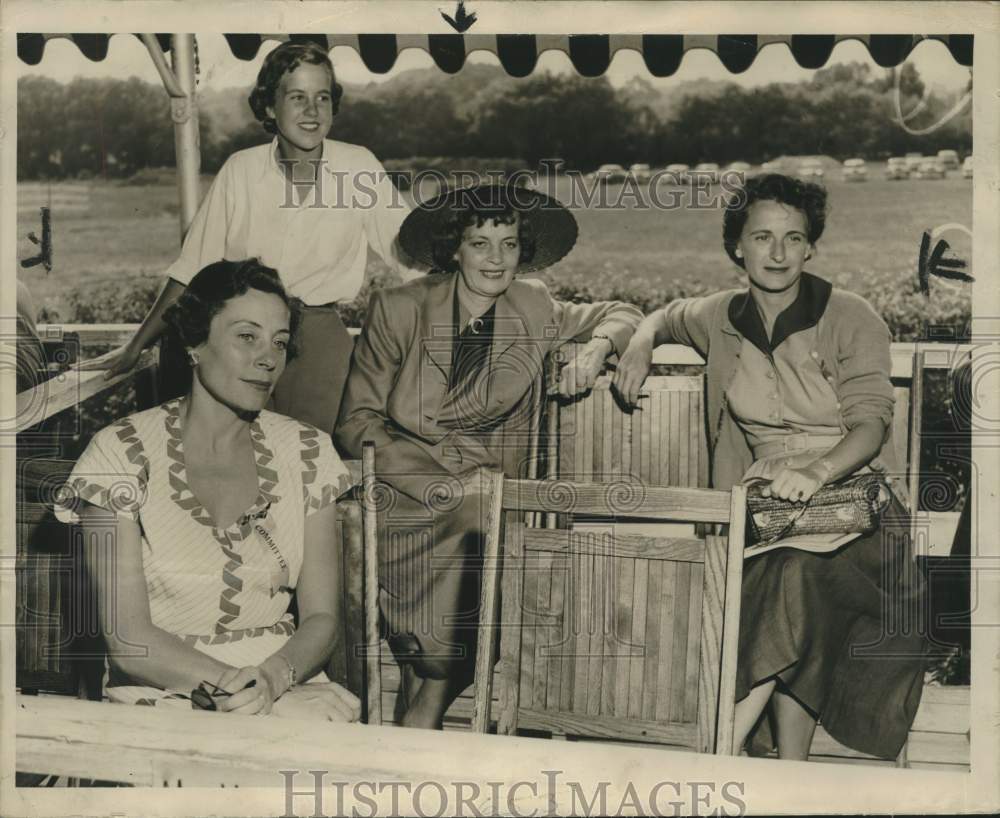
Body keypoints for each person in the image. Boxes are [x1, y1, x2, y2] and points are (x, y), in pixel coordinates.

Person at [614, 173, 926, 760]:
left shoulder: (850, 314)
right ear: (737, 246)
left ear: (811, 248)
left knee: (791, 575)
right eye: (762, 237)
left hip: (858, 508)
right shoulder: (720, 315)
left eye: (793, 238)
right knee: (784, 574)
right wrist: (639, 342)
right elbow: (664, 316)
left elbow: (871, 425)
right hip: (763, 513)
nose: (778, 253)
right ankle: (787, 767)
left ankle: (723, 748)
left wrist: (816, 471)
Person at [335, 183, 643, 729]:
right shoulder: (400, 308)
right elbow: (355, 423)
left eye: (509, 244)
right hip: (406, 494)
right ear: (455, 250)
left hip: (485, 501)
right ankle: (422, 720)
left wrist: (596, 350)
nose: (496, 259)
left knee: (487, 541)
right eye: (480, 243)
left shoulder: (534, 304)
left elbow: (623, 311)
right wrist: (443, 484)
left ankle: (421, 720)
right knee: (478, 539)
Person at [57, 259, 360, 720]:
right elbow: (129, 641)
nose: (268, 358)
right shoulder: (119, 454)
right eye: (247, 336)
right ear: (194, 342)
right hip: (162, 689)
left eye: (279, 342)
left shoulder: (307, 451)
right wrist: (253, 694)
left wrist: (274, 680)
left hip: (285, 679)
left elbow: (322, 619)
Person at [81, 41, 420, 434]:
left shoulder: (358, 165)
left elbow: (411, 255)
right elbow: (191, 270)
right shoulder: (240, 170)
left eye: (322, 97)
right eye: (297, 97)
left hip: (319, 340)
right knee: (231, 450)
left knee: (322, 452)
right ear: (270, 107)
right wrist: (135, 345)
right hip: (239, 335)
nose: (312, 111)